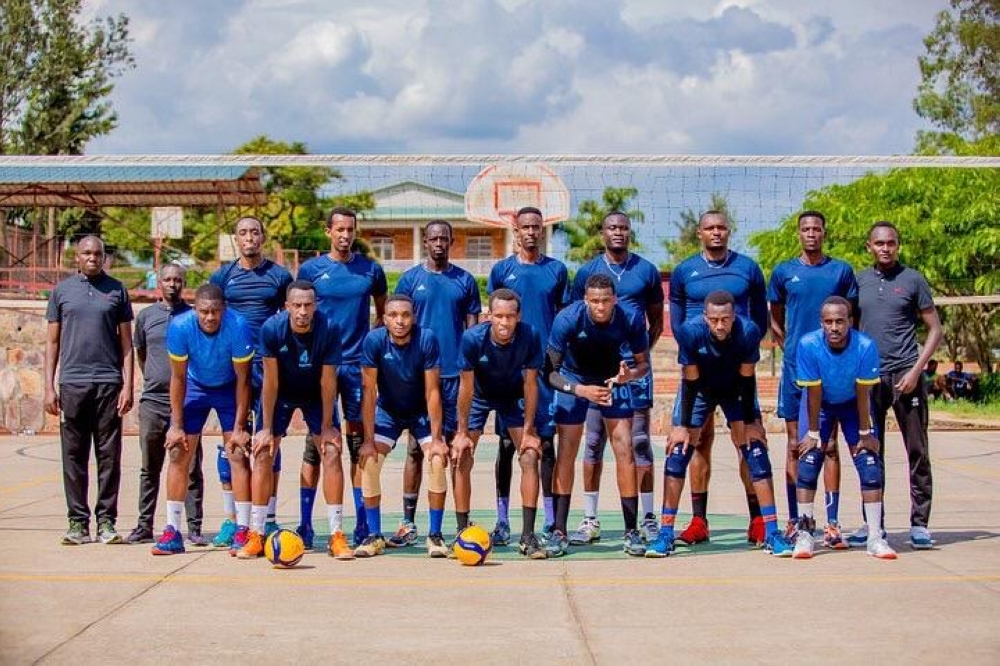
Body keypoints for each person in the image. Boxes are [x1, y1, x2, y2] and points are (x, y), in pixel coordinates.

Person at [648, 290, 792, 558]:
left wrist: (750, 422)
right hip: (700, 390)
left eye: (725, 319)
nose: (720, 325)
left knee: (756, 452)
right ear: (705, 317)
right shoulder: (690, 333)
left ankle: (771, 531)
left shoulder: (748, 332)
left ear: (734, 316)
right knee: (678, 453)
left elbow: (748, 381)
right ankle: (666, 533)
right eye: (714, 320)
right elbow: (689, 382)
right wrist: (682, 425)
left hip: (735, 390)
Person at [668, 210, 769, 546]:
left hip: (735, 365)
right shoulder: (685, 271)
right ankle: (699, 521)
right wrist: (691, 346)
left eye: (721, 227)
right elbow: (679, 317)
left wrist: (745, 344)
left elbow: (759, 315)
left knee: (748, 441)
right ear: (700, 233)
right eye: (710, 228)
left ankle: (758, 520)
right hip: (700, 365)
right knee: (695, 442)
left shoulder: (747, 268)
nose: (716, 232)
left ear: (729, 231)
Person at [569, 211, 665, 547]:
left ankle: (648, 517)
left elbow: (655, 321)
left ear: (630, 232)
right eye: (612, 227)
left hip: (633, 371)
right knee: (593, 441)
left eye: (624, 228)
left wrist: (636, 359)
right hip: (597, 370)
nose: (618, 232)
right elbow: (577, 318)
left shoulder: (646, 271)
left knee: (638, 442)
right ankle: (590, 517)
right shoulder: (587, 273)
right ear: (602, 232)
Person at [238, 281, 350, 559]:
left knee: (332, 450)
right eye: (297, 305)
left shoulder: (329, 328)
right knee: (262, 452)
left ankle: (336, 535)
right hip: (282, 393)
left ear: (316, 306)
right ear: (287, 306)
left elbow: (328, 381)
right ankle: (256, 533)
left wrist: (326, 427)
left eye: (308, 305)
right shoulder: (272, 329)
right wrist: (265, 428)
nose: (302, 311)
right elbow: (270, 382)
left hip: (315, 394)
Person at [296, 207, 387, 548]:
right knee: (317, 444)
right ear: (328, 232)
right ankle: (305, 524)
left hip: (356, 367)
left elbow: (383, 309)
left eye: (350, 229)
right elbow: (298, 310)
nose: (345, 235)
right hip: (321, 368)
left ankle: (363, 523)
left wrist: (369, 346)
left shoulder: (371, 270)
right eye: (339, 229)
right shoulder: (312, 270)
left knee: (357, 444)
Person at [767, 210, 858, 547]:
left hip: (832, 369)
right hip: (796, 369)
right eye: (805, 229)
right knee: (796, 445)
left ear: (824, 233)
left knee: (830, 445)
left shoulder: (841, 271)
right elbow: (774, 318)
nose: (811, 234)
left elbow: (852, 317)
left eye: (816, 229)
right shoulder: (783, 272)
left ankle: (832, 524)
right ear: (798, 233)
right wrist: (791, 348)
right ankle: (797, 520)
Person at [546, 273, 650, 557]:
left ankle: (631, 531)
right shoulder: (568, 319)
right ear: (585, 300)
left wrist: (629, 376)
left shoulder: (631, 318)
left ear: (615, 299)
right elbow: (549, 373)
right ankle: (559, 530)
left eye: (606, 301)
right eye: (595, 301)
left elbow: (643, 365)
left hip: (612, 380)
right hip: (574, 378)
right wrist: (580, 390)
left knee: (625, 447)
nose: (600, 307)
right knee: (567, 449)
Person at [391, 220, 481, 547]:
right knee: (417, 449)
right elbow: (398, 324)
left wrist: (472, 369)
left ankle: (460, 521)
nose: (439, 243)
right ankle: (407, 521)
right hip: (419, 377)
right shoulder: (411, 280)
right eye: (433, 238)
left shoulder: (465, 281)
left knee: (458, 451)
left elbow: (473, 332)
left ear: (452, 241)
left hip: (455, 377)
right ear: (425, 242)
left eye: (444, 238)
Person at [856, 221, 942, 550]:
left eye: (891, 243)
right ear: (869, 247)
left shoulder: (913, 279)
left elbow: (935, 329)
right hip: (871, 378)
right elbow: (847, 326)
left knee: (917, 451)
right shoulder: (860, 281)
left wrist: (917, 371)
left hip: (907, 375)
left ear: (898, 245)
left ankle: (920, 524)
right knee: (870, 452)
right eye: (879, 243)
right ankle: (872, 523)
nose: (885, 248)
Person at [790, 296, 896, 560]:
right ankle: (805, 534)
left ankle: (875, 536)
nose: (834, 327)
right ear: (821, 323)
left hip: (852, 403)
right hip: (820, 404)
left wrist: (864, 434)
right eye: (828, 322)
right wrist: (813, 434)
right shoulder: (808, 345)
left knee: (870, 464)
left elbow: (863, 392)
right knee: (808, 461)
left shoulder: (865, 346)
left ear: (850, 321)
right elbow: (813, 392)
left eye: (840, 321)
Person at [151, 283, 253, 555]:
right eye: (204, 312)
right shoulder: (180, 327)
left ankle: (243, 529)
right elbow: (178, 377)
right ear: (195, 309)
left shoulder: (238, 326)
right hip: (195, 386)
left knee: (237, 453)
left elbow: (244, 380)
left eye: (215, 312)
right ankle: (173, 530)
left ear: (224, 310)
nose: (210, 317)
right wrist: (176, 425)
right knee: (178, 452)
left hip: (229, 387)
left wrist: (240, 427)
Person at [486, 206, 568, 544]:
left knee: (545, 445)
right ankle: (503, 519)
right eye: (525, 227)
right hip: (510, 366)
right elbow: (492, 316)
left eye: (536, 227)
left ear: (542, 230)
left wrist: (560, 360)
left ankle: (549, 519)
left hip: (545, 366)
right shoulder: (502, 270)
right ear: (515, 231)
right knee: (507, 445)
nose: (531, 232)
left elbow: (564, 317)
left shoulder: (557, 270)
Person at [45, 235, 134, 545]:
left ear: (104, 257)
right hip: (72, 384)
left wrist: (128, 385)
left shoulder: (117, 290)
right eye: (87, 253)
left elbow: (126, 343)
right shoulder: (61, 292)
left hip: (109, 384)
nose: (93, 257)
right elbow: (52, 342)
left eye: (98, 253)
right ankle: (77, 523)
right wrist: (49, 387)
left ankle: (107, 521)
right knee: (73, 455)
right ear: (77, 258)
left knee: (109, 456)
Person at [209, 217, 293, 547]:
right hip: (234, 370)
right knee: (232, 442)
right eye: (243, 232)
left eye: (254, 232)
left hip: (269, 367)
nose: (249, 238)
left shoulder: (279, 276)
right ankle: (233, 519)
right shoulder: (223, 276)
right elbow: (213, 319)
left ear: (263, 237)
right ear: (236, 238)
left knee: (269, 440)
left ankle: (268, 518)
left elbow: (290, 316)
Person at [453, 289, 546, 558]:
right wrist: (461, 433)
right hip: (480, 396)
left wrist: (529, 432)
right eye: (499, 316)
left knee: (529, 456)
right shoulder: (472, 339)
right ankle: (462, 533)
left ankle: (528, 537)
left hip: (513, 396)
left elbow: (531, 384)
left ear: (518, 317)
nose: (504, 323)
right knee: (461, 456)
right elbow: (466, 388)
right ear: (488, 316)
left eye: (510, 316)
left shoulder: (530, 336)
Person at [355, 295, 449, 558]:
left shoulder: (426, 339)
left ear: (414, 317)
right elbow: (369, 392)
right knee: (370, 461)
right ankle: (374, 536)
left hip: (420, 412)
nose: (400, 320)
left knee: (437, 460)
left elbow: (432, 392)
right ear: (384, 319)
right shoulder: (374, 341)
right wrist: (368, 439)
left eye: (405, 315)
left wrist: (438, 439)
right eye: (393, 315)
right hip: (389, 412)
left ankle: (435, 536)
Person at [126, 264, 206, 546]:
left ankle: (194, 527)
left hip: (186, 401)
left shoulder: (193, 317)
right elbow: (142, 354)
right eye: (168, 279)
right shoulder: (147, 317)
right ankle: (144, 525)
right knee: (150, 466)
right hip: (153, 400)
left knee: (191, 464)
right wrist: (153, 379)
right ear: (159, 283)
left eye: (178, 280)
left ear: (184, 284)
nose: (173, 284)